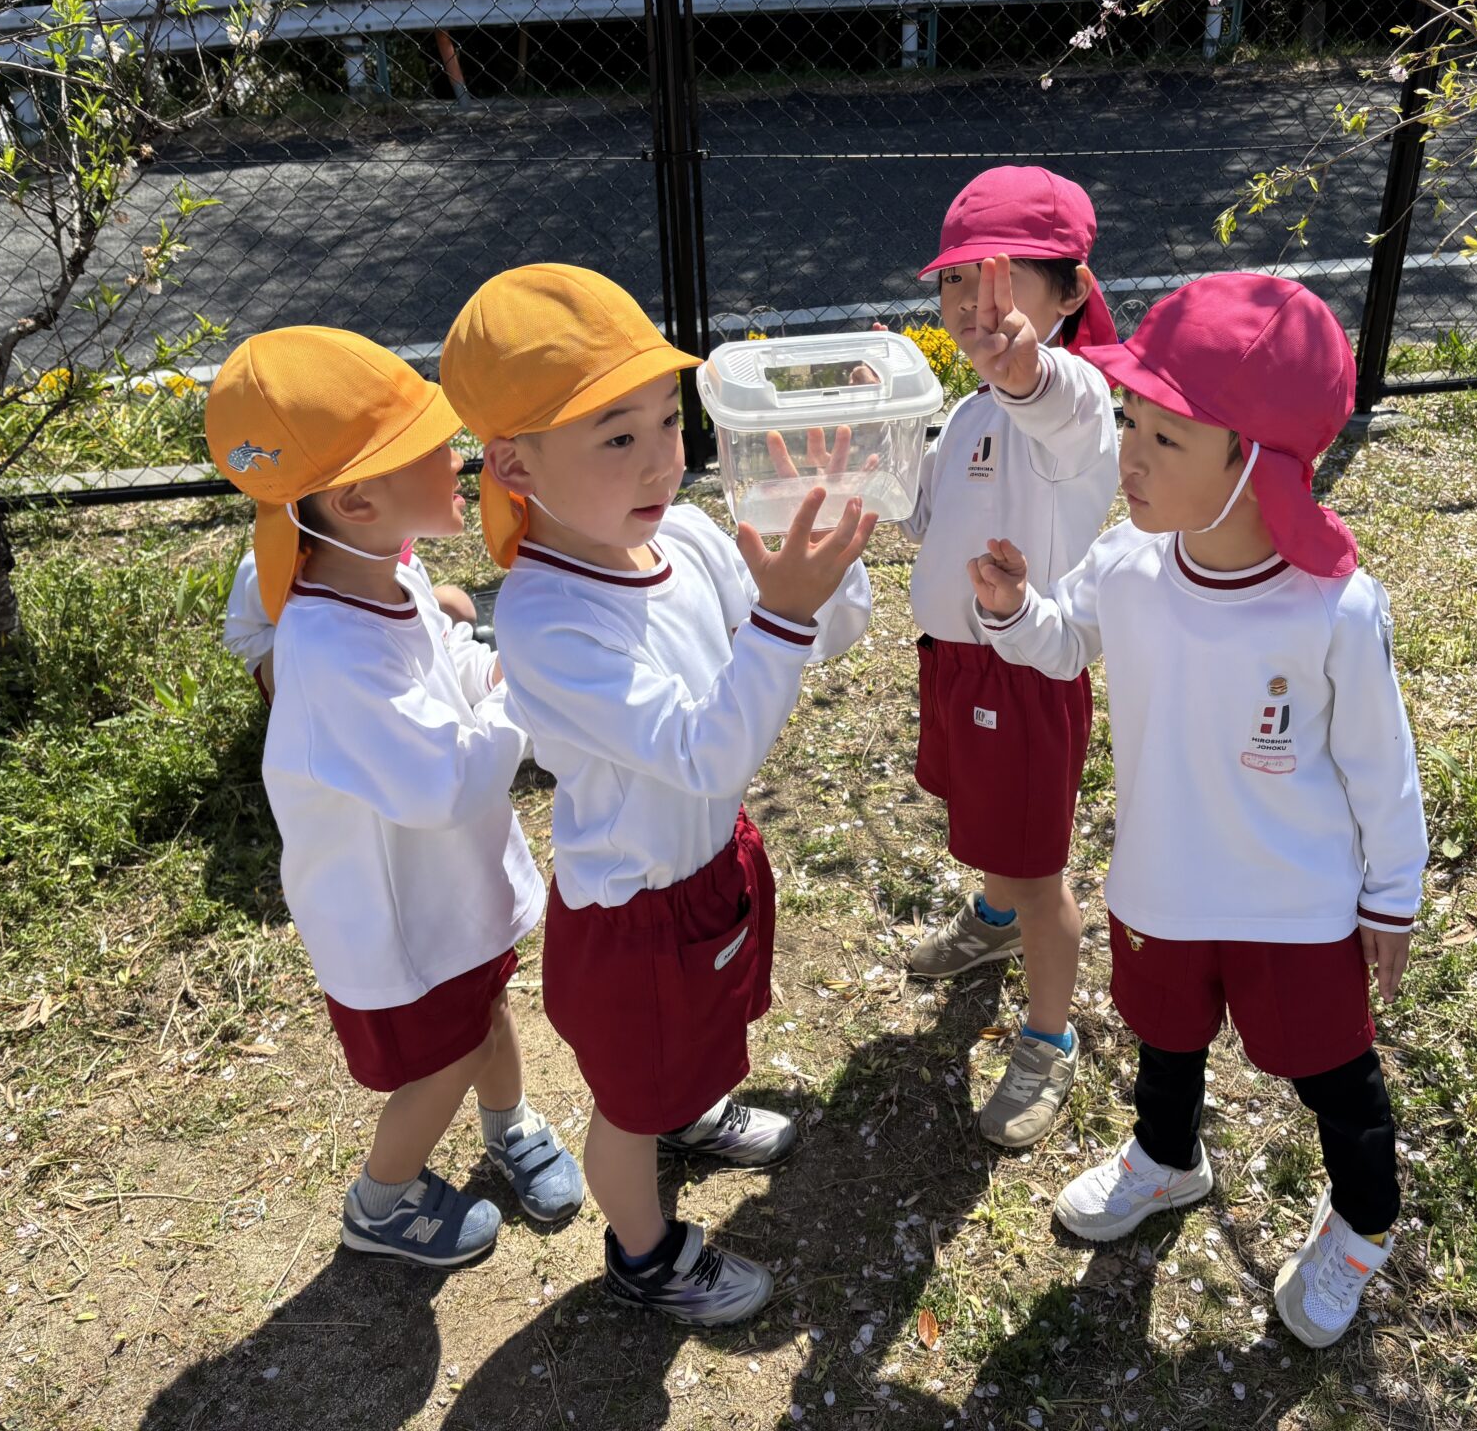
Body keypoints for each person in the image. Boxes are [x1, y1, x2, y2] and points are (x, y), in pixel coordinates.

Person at [967, 273, 1427, 1349]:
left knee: (1334, 1074)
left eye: (1165, 439)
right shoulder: (1128, 564)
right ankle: (1167, 1159)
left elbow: (1382, 765)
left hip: (1295, 907)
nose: (1128, 456)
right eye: (1130, 421)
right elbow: (1064, 641)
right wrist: (1013, 611)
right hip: (1162, 885)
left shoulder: (1332, 608)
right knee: (1164, 1037)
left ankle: (1365, 1220)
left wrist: (1392, 896)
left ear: (1254, 463)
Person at [440, 264, 875, 1325]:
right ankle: (644, 1254)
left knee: (698, 1043)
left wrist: (822, 551)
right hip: (634, 914)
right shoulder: (546, 618)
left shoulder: (678, 538)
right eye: (616, 436)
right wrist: (782, 616)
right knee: (627, 1105)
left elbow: (821, 637)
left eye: (668, 420)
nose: (662, 457)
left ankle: (691, 1111)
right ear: (516, 465)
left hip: (709, 863)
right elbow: (703, 751)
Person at [210, 326, 583, 1267]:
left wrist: (497, 671)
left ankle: (509, 1123)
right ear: (356, 499)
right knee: (445, 1055)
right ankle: (381, 1201)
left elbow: (449, 661)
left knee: (487, 1004)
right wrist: (526, 699)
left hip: (443, 887)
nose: (457, 457)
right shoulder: (330, 649)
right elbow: (440, 782)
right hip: (397, 916)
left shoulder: (389, 572)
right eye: (431, 445)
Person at [899, 167, 1122, 1151]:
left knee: (1039, 873)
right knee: (986, 822)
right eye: (954, 280)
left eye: (998, 280)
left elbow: (1059, 402)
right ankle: (992, 922)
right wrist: (869, 455)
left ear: (1070, 292)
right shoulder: (969, 411)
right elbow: (926, 515)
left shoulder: (1074, 401)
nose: (968, 303)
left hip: (1027, 674)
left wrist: (1026, 371)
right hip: (956, 664)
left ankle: (1047, 1035)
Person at [221, 544, 478, 703]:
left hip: (389, 668)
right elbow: (239, 638)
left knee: (455, 604)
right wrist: (306, 636)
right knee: (288, 655)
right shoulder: (267, 566)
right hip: (313, 678)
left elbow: (426, 627)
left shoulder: (399, 556)